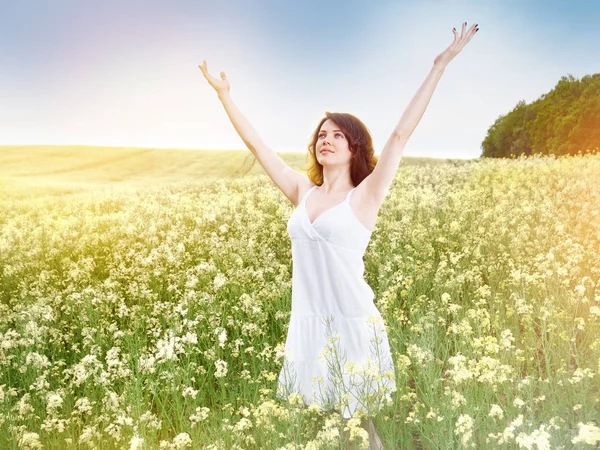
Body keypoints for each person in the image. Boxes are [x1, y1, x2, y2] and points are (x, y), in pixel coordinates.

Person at [199, 21, 479, 450]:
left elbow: (401, 135)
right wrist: (225, 96)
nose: (325, 141)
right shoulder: (301, 190)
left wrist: (440, 65)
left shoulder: (364, 196)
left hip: (352, 323)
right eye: (321, 135)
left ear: (354, 147)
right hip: (312, 323)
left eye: (337, 135)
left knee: (358, 432)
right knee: (339, 431)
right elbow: (258, 147)